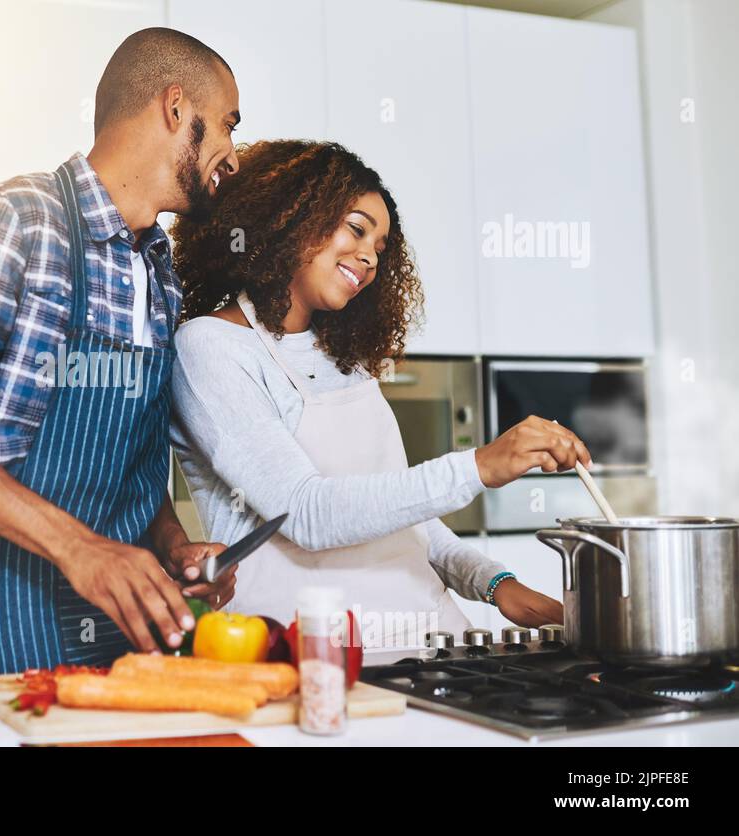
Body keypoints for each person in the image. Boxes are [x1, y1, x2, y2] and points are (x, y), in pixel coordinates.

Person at [0, 28, 243, 676]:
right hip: (6, 624)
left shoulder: (160, 273)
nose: (232, 155)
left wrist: (173, 547)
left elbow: (127, 457)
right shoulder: (13, 218)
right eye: (226, 126)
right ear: (176, 107)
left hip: (127, 630)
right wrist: (81, 551)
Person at [168, 139, 587, 649]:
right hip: (306, 652)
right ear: (289, 216)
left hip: (426, 639)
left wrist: (494, 582)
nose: (368, 257)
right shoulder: (209, 347)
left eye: (380, 248)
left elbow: (397, 514)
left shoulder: (342, 356)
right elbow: (306, 513)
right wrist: (477, 466)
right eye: (357, 229)